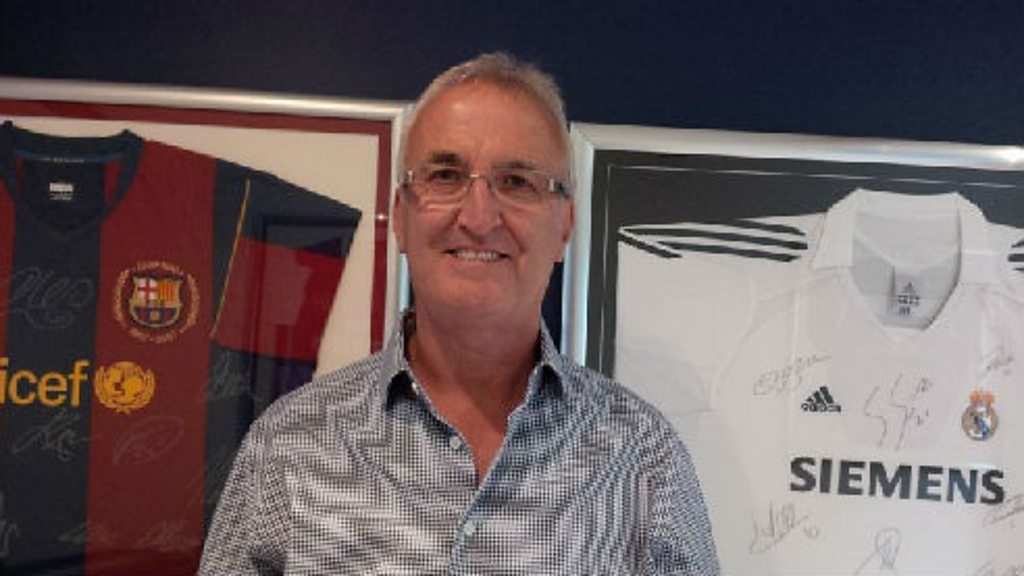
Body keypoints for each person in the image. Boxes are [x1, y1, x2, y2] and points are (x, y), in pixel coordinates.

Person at [199, 52, 719, 574]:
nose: (478, 217)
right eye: (445, 175)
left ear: (564, 225)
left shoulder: (644, 458)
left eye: (517, 181)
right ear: (400, 216)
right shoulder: (288, 445)